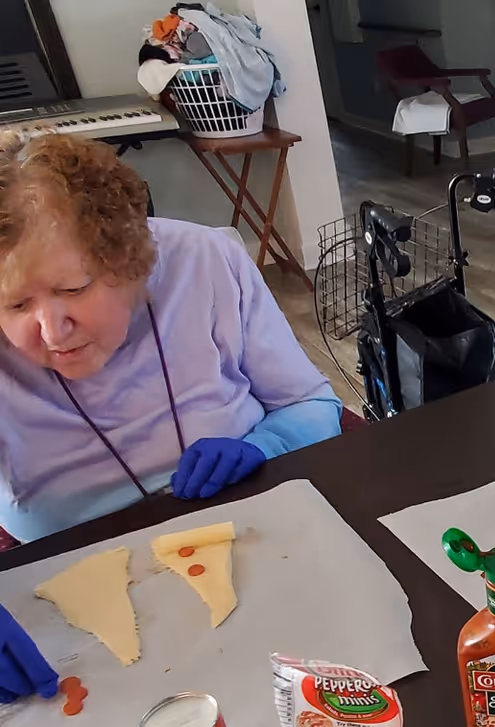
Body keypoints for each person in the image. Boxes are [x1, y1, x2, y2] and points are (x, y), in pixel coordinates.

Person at [0, 133, 342, 545]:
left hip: (251, 514)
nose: (53, 332)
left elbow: (311, 404)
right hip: (68, 559)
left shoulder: (204, 260)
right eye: (16, 306)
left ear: (133, 260)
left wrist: (267, 445)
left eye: (74, 289)